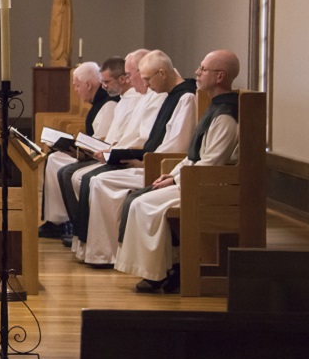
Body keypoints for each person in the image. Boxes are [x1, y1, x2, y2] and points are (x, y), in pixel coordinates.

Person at [115, 50, 242, 293]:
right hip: (195, 180)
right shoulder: (214, 107)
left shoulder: (226, 116)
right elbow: (194, 155)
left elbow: (211, 164)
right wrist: (173, 175)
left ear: (219, 76)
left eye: (203, 69)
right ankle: (169, 266)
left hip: (208, 187)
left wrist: (178, 180)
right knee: (140, 199)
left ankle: (158, 273)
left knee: (145, 205)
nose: (197, 72)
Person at [74, 50, 197, 267]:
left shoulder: (186, 97)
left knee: (101, 182)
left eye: (147, 79)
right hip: (152, 161)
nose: (147, 86)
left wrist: (138, 159)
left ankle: (109, 254)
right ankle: (102, 252)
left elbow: (175, 146)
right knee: (95, 180)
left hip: (159, 166)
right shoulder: (172, 95)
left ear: (162, 73)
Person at [56, 50, 165, 248]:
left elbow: (143, 140)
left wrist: (114, 152)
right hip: (121, 152)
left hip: (141, 160)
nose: (134, 80)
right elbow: (121, 136)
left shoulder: (148, 99)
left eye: (133, 75)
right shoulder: (131, 99)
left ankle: (98, 244)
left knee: (84, 177)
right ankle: (84, 236)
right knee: (71, 172)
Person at [39, 60, 119, 239]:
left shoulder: (109, 104)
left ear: (88, 84)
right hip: (94, 155)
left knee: (56, 161)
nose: (76, 90)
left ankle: (64, 221)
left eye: (77, 86)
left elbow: (103, 142)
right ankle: (58, 220)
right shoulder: (99, 102)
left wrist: (76, 148)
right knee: (54, 157)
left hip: (102, 157)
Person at [49, 0, 72, 67]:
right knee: (55, 37)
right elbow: (54, 13)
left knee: (62, 38)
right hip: (56, 23)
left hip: (63, 25)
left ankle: (63, 54)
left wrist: (63, 3)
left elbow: (68, 13)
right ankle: (56, 55)